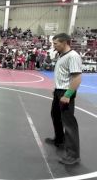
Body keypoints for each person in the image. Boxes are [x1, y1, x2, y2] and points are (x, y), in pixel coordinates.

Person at [45, 33, 82, 165]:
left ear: (65, 42)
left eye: (56, 43)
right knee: (55, 115)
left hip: (66, 92)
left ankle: (73, 155)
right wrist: (56, 89)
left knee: (69, 123)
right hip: (59, 91)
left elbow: (77, 78)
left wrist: (67, 95)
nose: (53, 46)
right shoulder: (62, 55)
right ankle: (59, 140)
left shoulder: (73, 56)